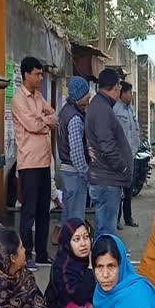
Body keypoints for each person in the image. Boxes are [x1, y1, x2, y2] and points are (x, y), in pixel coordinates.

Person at [11, 56, 57, 270]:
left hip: (45, 162)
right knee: (28, 212)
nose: (40, 78)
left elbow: (53, 116)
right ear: (26, 74)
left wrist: (43, 121)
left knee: (43, 211)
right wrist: (44, 121)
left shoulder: (39, 96)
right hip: (29, 163)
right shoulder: (19, 98)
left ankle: (42, 254)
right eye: (37, 74)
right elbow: (31, 124)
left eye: (41, 74)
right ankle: (27, 254)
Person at [86, 68, 132, 237]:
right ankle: (103, 262)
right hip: (107, 180)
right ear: (115, 87)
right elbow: (106, 145)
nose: (120, 89)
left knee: (105, 230)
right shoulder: (101, 109)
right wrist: (122, 167)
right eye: (119, 86)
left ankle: (104, 261)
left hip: (107, 179)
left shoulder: (101, 106)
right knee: (105, 232)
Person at [44, 218, 99, 308]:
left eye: (86, 237)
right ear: (67, 242)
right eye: (76, 239)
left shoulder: (86, 260)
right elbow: (80, 297)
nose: (83, 243)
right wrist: (91, 268)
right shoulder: (62, 267)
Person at [57, 76, 91, 222]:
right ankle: (72, 245)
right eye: (86, 94)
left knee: (68, 216)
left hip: (67, 171)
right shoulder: (75, 118)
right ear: (79, 95)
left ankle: (65, 244)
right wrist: (86, 173)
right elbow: (76, 152)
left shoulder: (65, 111)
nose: (89, 96)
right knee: (76, 218)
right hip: (74, 173)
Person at [114, 81, 141, 229]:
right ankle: (116, 219)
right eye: (129, 92)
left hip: (131, 154)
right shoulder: (115, 109)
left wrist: (135, 148)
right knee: (119, 190)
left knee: (129, 189)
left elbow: (136, 129)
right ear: (122, 93)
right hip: (119, 156)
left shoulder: (130, 110)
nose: (131, 95)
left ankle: (128, 217)